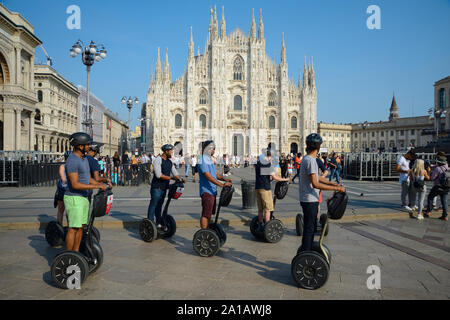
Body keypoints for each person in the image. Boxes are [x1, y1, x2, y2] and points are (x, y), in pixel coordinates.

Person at [298, 133, 345, 253]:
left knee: (311, 227)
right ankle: (306, 254)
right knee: (310, 229)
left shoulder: (307, 159)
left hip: (307, 199)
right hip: (310, 200)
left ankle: (305, 252)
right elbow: (315, 183)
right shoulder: (311, 161)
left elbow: (318, 177)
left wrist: (334, 184)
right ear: (319, 147)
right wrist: (337, 189)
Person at [64, 132, 108, 252]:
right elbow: (75, 184)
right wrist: (95, 187)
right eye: (87, 144)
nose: (89, 147)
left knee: (81, 227)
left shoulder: (83, 159)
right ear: (79, 145)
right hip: (74, 197)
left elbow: (88, 179)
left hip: (83, 197)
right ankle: (69, 255)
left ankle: (76, 253)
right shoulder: (73, 160)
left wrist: (100, 184)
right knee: (73, 228)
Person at [147, 144, 185, 231]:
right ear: (166, 151)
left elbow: (175, 172)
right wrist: (172, 178)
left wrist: (180, 179)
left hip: (164, 188)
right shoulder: (158, 160)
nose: (172, 152)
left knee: (160, 206)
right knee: (153, 205)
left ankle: (159, 223)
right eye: (171, 151)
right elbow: (158, 175)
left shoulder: (169, 162)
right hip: (156, 187)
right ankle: (150, 223)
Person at [198, 140, 232, 229]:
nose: (213, 151)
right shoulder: (202, 160)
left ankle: (207, 230)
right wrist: (222, 185)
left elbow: (215, 174)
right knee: (206, 214)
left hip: (212, 191)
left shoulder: (209, 160)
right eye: (211, 149)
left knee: (209, 214)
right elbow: (208, 176)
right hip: (207, 191)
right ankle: (204, 233)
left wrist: (224, 179)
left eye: (214, 149)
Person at [255, 149, 289, 232]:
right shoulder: (268, 165)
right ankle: (267, 227)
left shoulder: (259, 163)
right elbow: (274, 177)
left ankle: (260, 225)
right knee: (268, 209)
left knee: (260, 209)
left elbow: (265, 175)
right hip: (265, 189)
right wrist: (284, 179)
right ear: (270, 156)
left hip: (258, 187)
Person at [424, 155, 449, 221]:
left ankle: (428, 212)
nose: (437, 163)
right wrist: (431, 165)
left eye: (437, 162)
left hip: (438, 186)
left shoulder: (438, 169)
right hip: (446, 187)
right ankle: (445, 216)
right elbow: (435, 166)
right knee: (444, 201)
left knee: (430, 197)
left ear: (439, 162)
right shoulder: (447, 167)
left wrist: (429, 171)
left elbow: (432, 178)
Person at [55, 151, 71, 225]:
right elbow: (62, 177)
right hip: (62, 190)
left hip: (70, 190)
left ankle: (69, 226)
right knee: (61, 210)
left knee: (68, 211)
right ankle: (59, 227)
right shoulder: (62, 166)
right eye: (67, 158)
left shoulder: (74, 167)